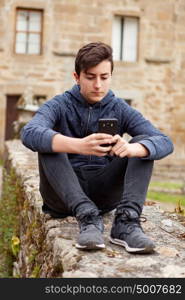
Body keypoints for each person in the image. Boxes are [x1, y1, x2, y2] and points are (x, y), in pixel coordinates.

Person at [21, 42, 174, 254]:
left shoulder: (119, 107)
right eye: (90, 77)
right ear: (77, 77)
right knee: (47, 143)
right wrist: (79, 146)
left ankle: (126, 223)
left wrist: (133, 149)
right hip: (63, 195)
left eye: (104, 77)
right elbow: (29, 133)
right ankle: (86, 216)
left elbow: (164, 141)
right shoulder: (58, 105)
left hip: (104, 193)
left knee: (144, 144)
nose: (98, 85)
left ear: (111, 75)